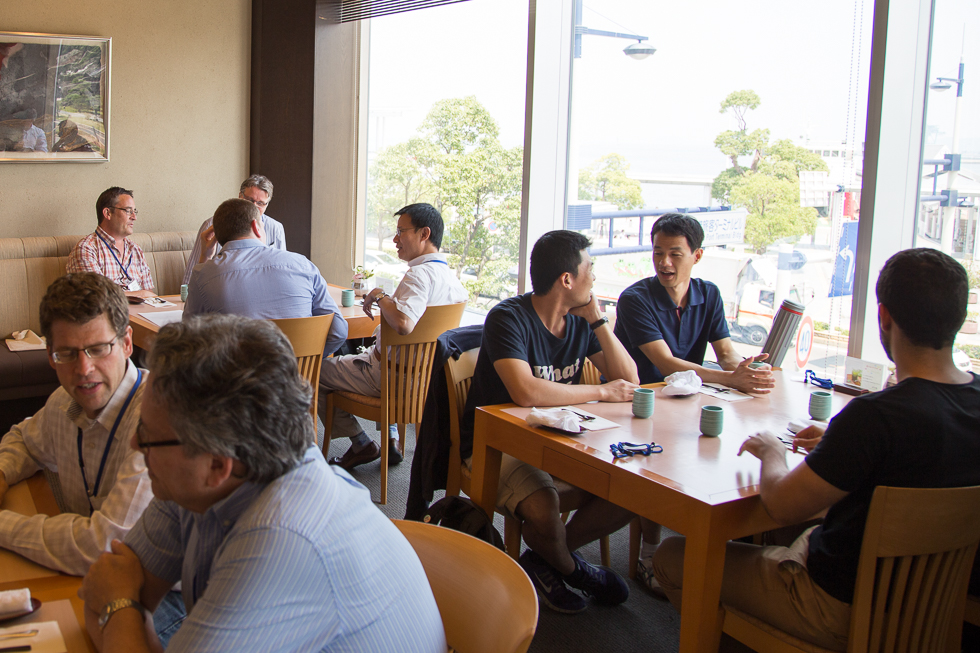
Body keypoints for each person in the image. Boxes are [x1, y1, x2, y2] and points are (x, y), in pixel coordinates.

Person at [651, 248, 980, 651]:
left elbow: (782, 506)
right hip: (931, 600)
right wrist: (840, 444)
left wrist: (772, 451)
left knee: (673, 556)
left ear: (884, 317)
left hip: (836, 605)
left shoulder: (874, 417)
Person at [80, 314, 446, 653]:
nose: (135, 444)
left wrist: (119, 605)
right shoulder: (195, 479)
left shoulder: (282, 537)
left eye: (147, 435)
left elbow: (111, 595)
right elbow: (102, 589)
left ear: (217, 465)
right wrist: (120, 607)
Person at [459, 230, 639, 615]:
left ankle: (544, 559)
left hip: (557, 441)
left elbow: (630, 380)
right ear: (567, 279)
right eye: (590, 268)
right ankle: (577, 570)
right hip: (496, 445)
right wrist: (601, 392)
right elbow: (525, 391)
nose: (595, 277)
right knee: (543, 506)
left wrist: (598, 320)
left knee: (633, 492)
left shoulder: (580, 322)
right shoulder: (508, 317)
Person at [613, 213, 775, 592]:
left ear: (697, 255)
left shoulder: (709, 294)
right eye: (658, 253)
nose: (664, 262)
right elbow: (665, 362)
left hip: (685, 400)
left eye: (675, 254)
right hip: (636, 403)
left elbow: (726, 353)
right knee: (658, 460)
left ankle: (719, 538)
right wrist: (730, 378)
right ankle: (650, 555)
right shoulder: (636, 299)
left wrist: (748, 370)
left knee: (728, 443)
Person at [0, 273, 153, 574]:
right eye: (67, 354)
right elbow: (23, 440)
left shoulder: (157, 422)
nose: (84, 369)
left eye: (98, 348)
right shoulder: (62, 402)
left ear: (126, 343)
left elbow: (105, 545)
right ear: (50, 356)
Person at [321, 203, 467, 471]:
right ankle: (390, 437)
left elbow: (403, 323)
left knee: (313, 372)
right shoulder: (453, 281)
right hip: (425, 381)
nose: (395, 239)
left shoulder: (419, 275)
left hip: (388, 378)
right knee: (378, 355)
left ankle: (361, 443)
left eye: (401, 232)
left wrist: (380, 295)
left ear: (424, 234)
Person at [182, 198, 347, 355]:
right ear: (256, 227)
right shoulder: (302, 264)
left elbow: (189, 334)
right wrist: (309, 361)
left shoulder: (203, 274)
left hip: (237, 375)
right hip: (297, 374)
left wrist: (205, 257)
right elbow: (338, 330)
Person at [181, 174, 286, 286]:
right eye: (249, 200)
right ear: (240, 196)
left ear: (267, 204)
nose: (254, 207)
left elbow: (281, 269)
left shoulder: (276, 228)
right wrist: (187, 293)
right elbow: (192, 272)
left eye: (260, 203)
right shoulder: (211, 225)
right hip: (220, 287)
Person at [67, 187, 156, 299]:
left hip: (141, 310)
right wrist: (140, 294)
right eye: (128, 211)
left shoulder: (135, 249)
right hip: (108, 310)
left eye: (134, 211)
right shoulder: (86, 249)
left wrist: (143, 294)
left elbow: (149, 295)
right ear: (107, 213)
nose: (134, 217)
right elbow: (96, 296)